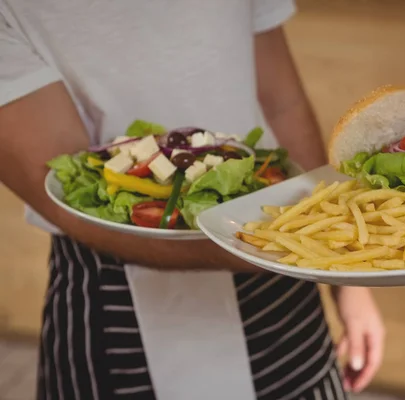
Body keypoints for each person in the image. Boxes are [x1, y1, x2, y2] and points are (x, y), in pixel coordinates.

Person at [0, 1, 385, 399]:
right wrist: (304, 249)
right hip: (118, 294)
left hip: (281, 271)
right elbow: (63, 187)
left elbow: (282, 105)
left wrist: (345, 280)